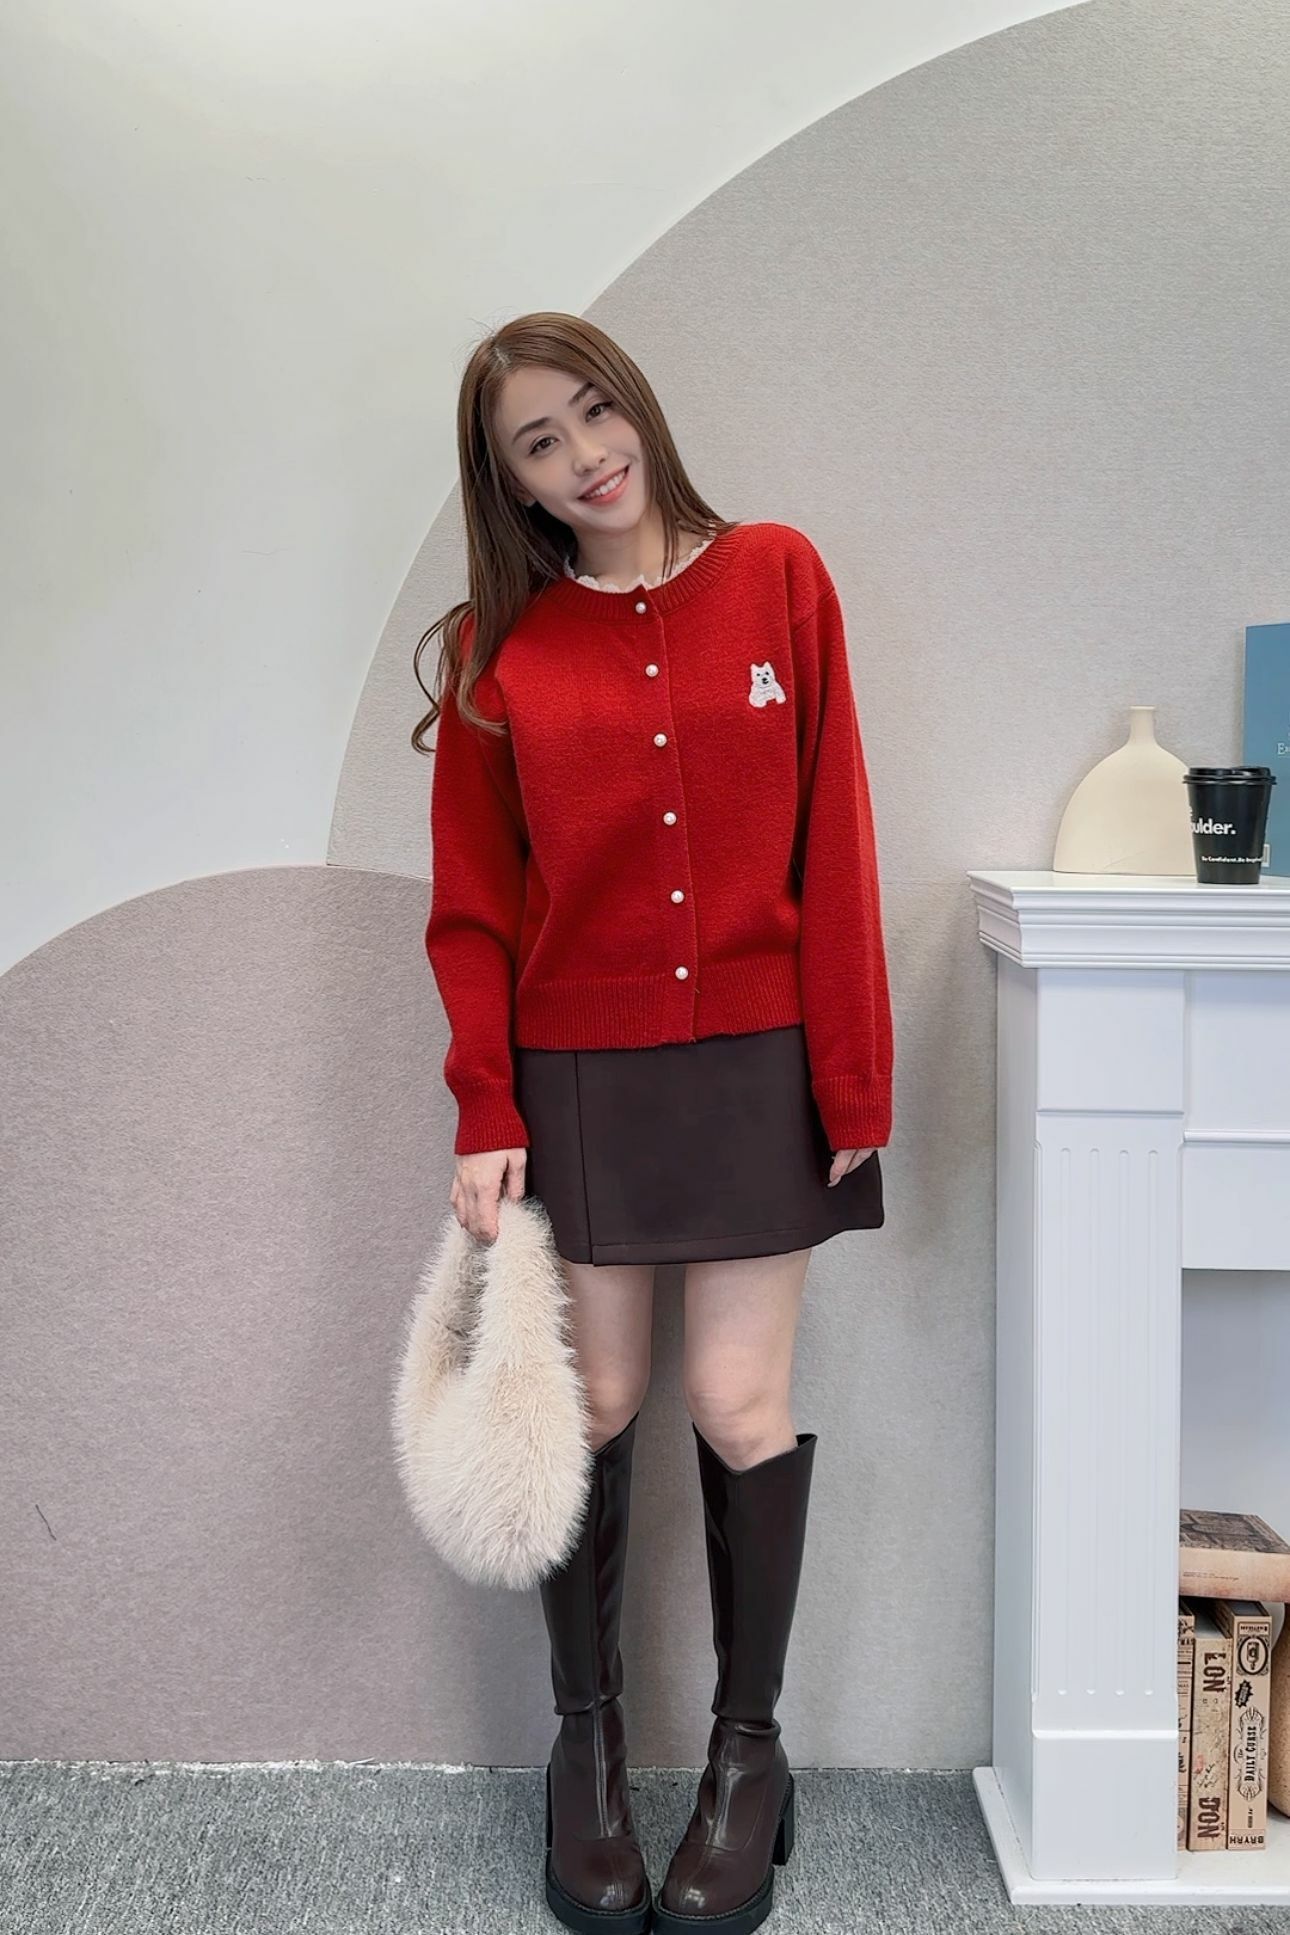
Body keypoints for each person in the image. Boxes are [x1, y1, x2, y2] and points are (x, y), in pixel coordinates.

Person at [415, 313, 894, 1935]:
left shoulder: (777, 578)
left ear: (636, 405)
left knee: (738, 1401)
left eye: (591, 413)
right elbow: (473, 912)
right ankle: (588, 1750)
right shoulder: (500, 658)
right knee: (601, 1401)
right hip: (582, 1074)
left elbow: (835, 829)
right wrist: (485, 1102)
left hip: (762, 1061)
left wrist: (853, 1075)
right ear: (510, 485)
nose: (583, 457)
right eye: (537, 444)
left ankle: (748, 1760)